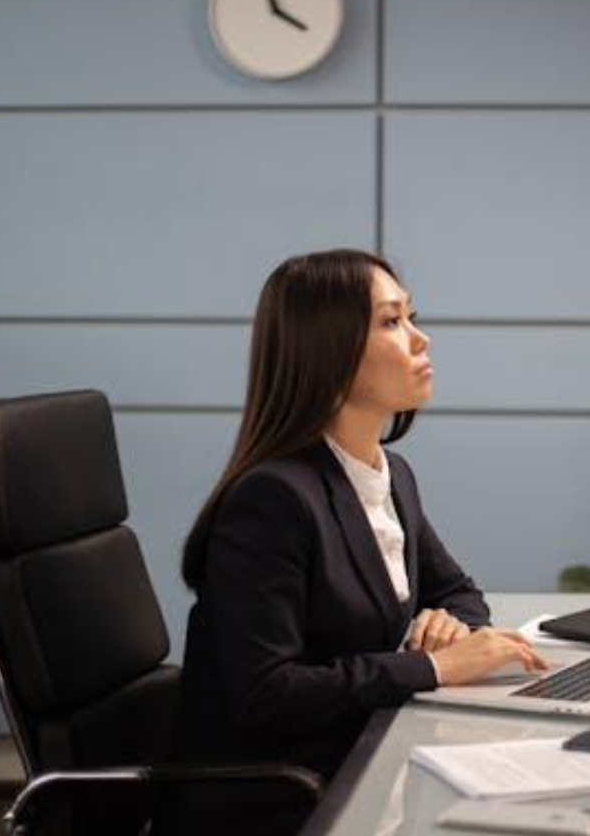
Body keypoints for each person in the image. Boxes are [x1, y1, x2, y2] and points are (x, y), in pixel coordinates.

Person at [162, 249, 546, 835]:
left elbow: (460, 592)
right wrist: (432, 667)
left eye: (411, 317)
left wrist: (445, 621)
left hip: (362, 764)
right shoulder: (271, 501)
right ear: (329, 351)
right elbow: (267, 693)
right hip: (284, 804)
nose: (421, 340)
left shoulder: (390, 474)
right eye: (392, 322)